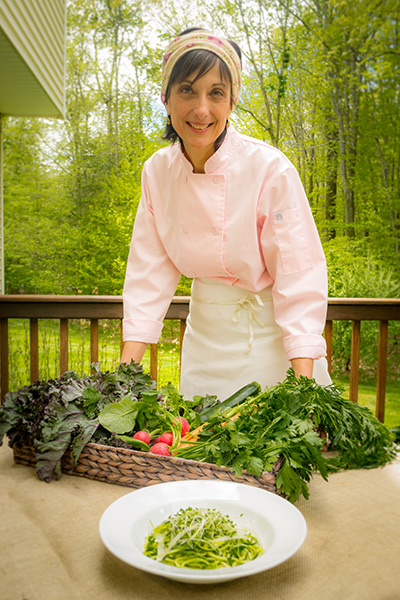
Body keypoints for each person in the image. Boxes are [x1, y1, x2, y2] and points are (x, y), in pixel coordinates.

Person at [121, 27, 332, 400]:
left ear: (232, 102)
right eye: (187, 89)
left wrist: (301, 387)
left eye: (216, 93)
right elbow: (147, 273)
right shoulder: (157, 172)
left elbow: (299, 276)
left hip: (273, 342)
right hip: (205, 340)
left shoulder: (270, 169)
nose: (201, 109)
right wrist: (125, 373)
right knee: (200, 449)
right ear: (165, 98)